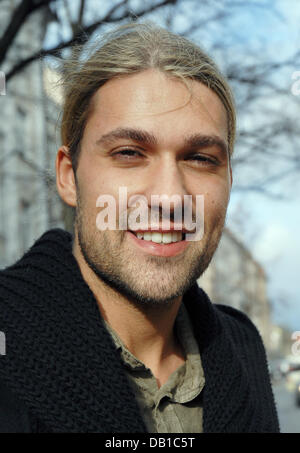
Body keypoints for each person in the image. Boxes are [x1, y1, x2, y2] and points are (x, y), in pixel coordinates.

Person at [0, 22, 280, 433]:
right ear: (68, 176)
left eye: (201, 158)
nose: (169, 197)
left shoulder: (243, 347)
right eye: (129, 152)